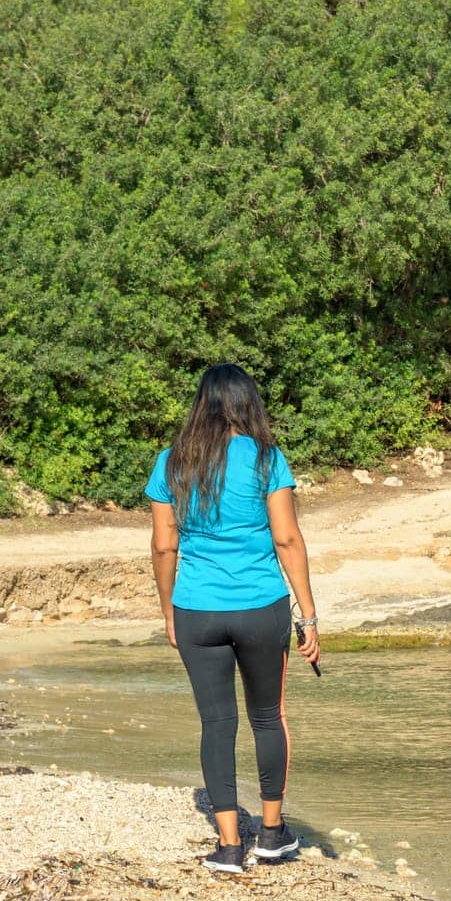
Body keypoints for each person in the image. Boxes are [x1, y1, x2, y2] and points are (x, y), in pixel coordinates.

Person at [144, 363, 322, 873]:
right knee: (267, 717)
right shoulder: (267, 459)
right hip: (260, 606)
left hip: (196, 608)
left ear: (202, 402)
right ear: (249, 403)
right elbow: (287, 538)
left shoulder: (173, 461)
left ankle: (227, 847)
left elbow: (163, 545)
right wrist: (308, 615)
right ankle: (271, 834)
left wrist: (168, 611)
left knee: (216, 723)